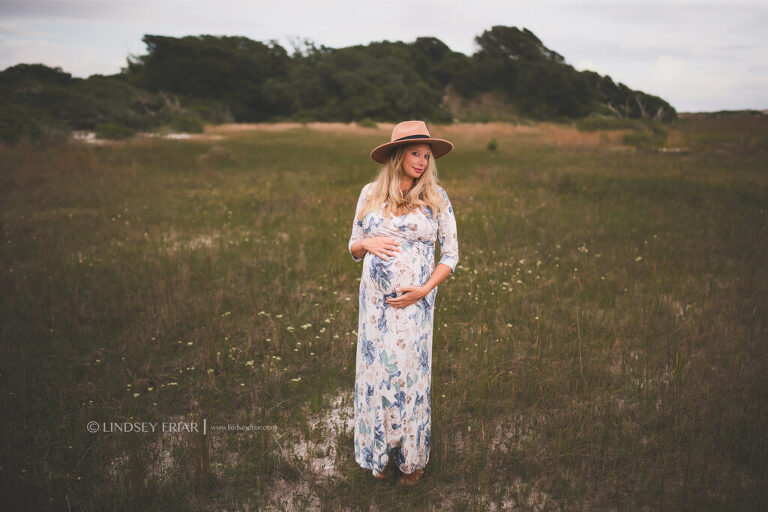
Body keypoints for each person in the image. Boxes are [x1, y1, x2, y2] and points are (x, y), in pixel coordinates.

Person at [348, 120, 459, 486]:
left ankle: (411, 459)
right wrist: (367, 245)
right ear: (397, 155)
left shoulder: (437, 198)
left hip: (414, 305)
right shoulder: (370, 194)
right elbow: (353, 244)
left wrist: (424, 290)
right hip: (375, 307)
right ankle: (378, 454)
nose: (422, 162)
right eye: (415, 153)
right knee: (377, 375)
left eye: (427, 156)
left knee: (407, 376)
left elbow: (451, 256)